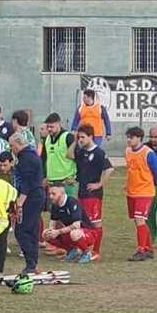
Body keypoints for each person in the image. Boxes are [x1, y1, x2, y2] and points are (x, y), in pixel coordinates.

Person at [74, 124, 114, 260]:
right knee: (83, 221)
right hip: (82, 193)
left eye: (82, 137)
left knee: (95, 222)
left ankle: (95, 251)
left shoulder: (98, 153)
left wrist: (99, 184)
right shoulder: (81, 151)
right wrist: (75, 140)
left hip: (93, 195)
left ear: (91, 137)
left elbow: (109, 169)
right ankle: (82, 249)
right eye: (79, 137)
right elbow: (69, 155)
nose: (80, 140)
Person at [125, 127, 157, 262]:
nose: (129, 140)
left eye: (131, 137)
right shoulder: (128, 151)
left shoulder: (148, 153)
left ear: (139, 138)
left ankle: (141, 250)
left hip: (145, 192)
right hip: (131, 192)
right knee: (138, 221)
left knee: (140, 219)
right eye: (128, 137)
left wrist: (152, 184)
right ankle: (149, 249)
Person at [11, 132, 45, 275]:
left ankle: (31, 262)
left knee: (21, 230)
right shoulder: (28, 154)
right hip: (35, 196)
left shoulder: (28, 158)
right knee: (32, 230)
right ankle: (33, 263)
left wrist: (20, 202)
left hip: (32, 197)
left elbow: (28, 181)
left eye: (12, 146)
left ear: (18, 144)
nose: (11, 148)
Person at [43, 183, 97, 264]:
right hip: (70, 232)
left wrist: (58, 232)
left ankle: (87, 253)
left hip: (87, 232)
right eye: (49, 194)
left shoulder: (72, 202)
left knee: (74, 233)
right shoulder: (55, 205)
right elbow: (52, 223)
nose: (50, 197)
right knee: (45, 234)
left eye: (53, 194)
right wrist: (51, 231)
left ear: (62, 192)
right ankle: (73, 251)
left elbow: (76, 225)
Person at [42, 113, 77, 198]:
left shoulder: (68, 137)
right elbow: (44, 159)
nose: (49, 129)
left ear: (59, 124)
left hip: (66, 182)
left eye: (52, 127)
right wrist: (44, 176)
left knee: (69, 208)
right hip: (52, 182)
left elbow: (79, 158)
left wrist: (76, 178)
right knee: (54, 210)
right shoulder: (47, 139)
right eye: (48, 127)